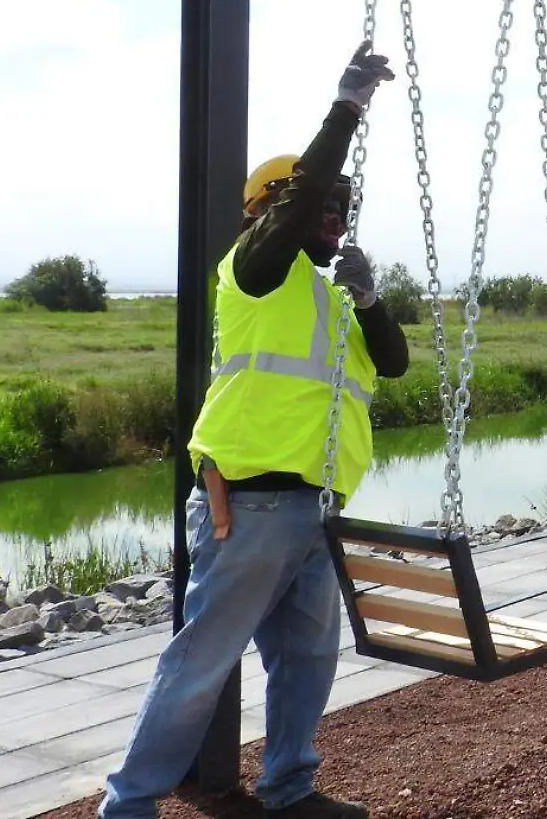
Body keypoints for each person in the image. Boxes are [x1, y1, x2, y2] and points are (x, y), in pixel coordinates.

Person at [99, 42, 409, 819]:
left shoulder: (330, 298)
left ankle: (289, 789)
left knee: (307, 662)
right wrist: (346, 109)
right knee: (202, 661)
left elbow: (395, 365)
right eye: (321, 207)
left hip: (311, 509)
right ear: (274, 209)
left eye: (344, 209)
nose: (333, 220)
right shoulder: (253, 269)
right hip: (250, 505)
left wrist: (370, 301)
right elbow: (300, 200)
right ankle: (129, 805)